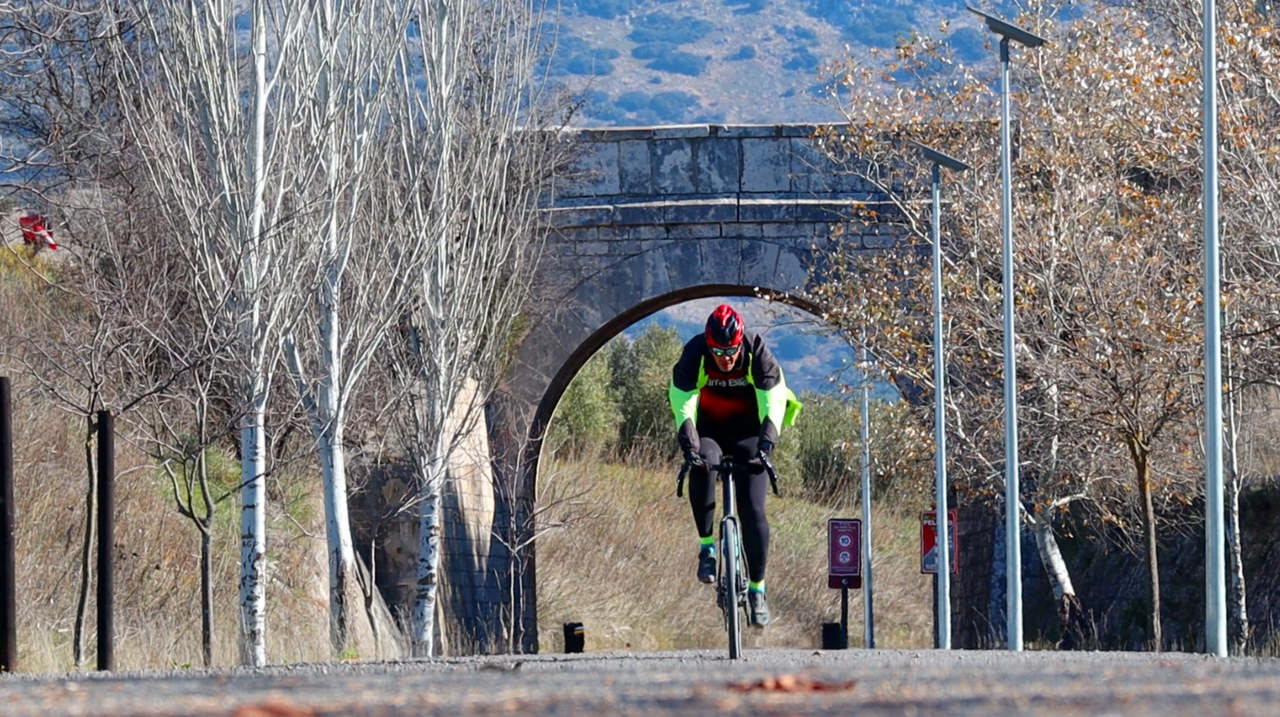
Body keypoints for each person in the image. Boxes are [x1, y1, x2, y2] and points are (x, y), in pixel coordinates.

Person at [668, 303, 798, 627]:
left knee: (753, 510)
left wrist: (766, 447)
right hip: (709, 431)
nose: (725, 358)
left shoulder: (757, 353)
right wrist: (690, 449)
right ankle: (708, 549)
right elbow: (682, 406)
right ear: (708, 345)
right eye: (718, 351)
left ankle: (757, 590)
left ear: (740, 343)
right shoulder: (694, 353)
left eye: (730, 351)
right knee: (702, 464)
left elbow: (774, 402)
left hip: (749, 433)